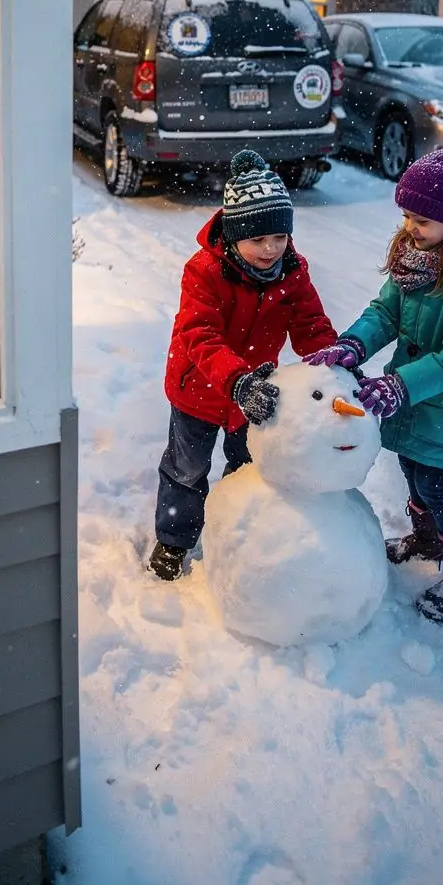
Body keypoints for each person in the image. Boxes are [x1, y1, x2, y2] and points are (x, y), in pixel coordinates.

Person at [307, 129, 443, 622]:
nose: (409, 227)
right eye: (405, 215)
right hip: (416, 394)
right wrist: (353, 343)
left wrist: (401, 385)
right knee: (410, 467)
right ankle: (429, 540)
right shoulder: (416, 256)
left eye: (421, 219)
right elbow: (386, 311)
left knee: (435, 483)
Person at [148, 149, 337, 580]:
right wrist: (237, 382)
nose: (270, 249)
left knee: (247, 467)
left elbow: (309, 323)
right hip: (199, 389)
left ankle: (235, 529)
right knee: (187, 467)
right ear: (233, 236)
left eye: (280, 237)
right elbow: (200, 335)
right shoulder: (204, 272)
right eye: (257, 240)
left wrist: (333, 366)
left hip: (255, 396)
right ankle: (174, 538)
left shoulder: (292, 271)